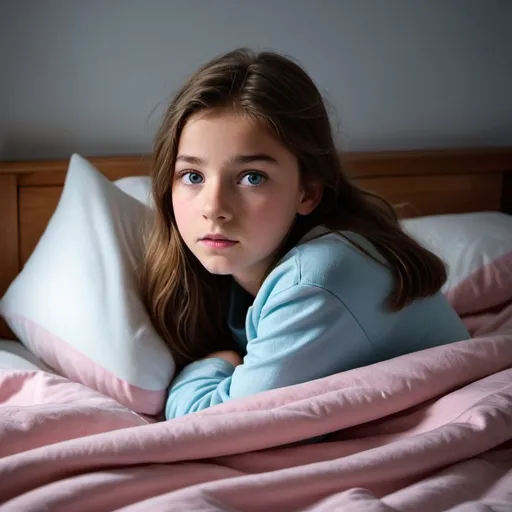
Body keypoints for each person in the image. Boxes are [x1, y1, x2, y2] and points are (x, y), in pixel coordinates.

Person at [141, 48, 470, 421]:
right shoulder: (234, 273)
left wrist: (210, 367)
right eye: (193, 176)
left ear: (307, 192)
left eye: (252, 177)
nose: (213, 207)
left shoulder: (317, 279)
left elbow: (221, 424)